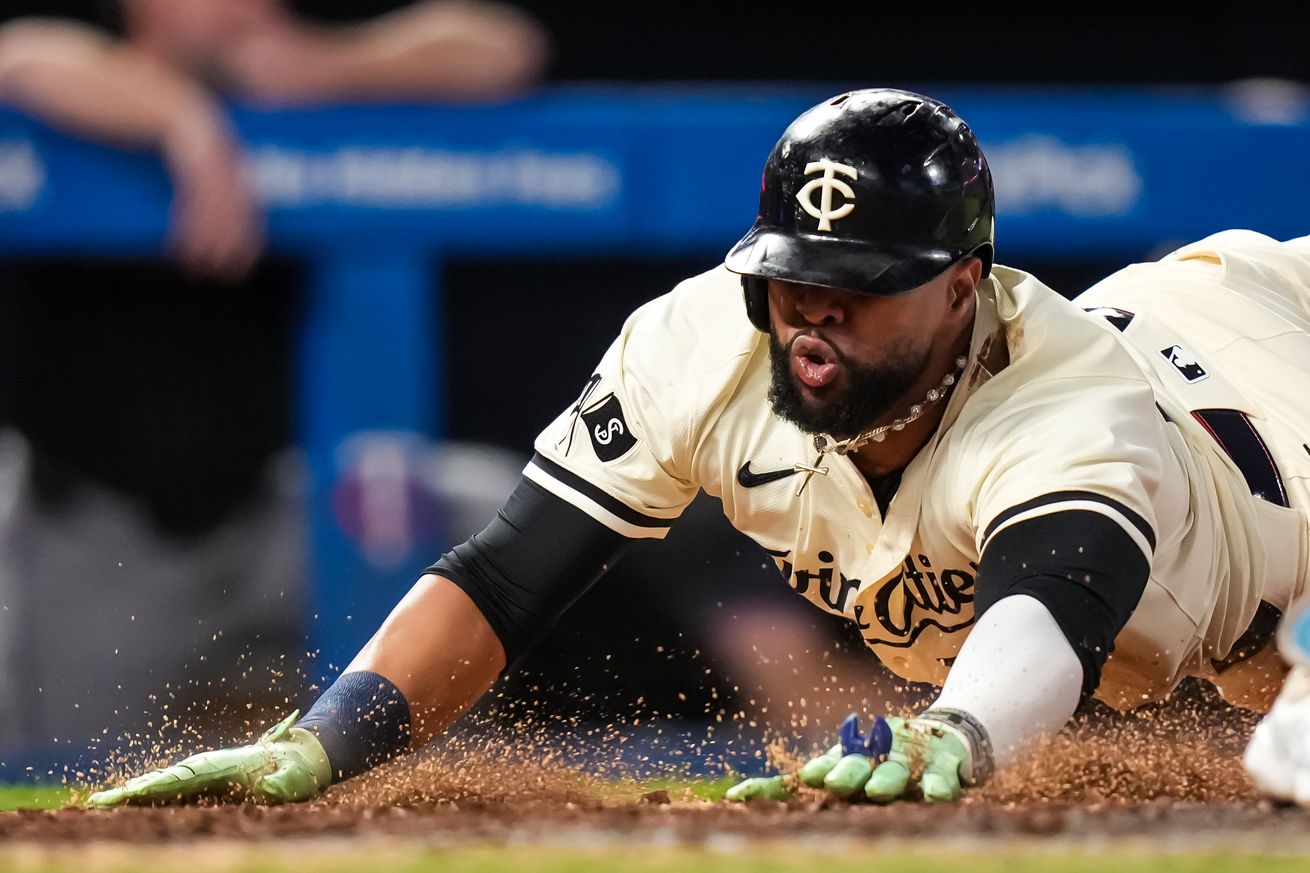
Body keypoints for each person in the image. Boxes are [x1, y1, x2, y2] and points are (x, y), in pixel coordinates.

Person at [86, 88, 1310, 807]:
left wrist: (955, 732)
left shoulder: (1062, 404)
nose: (813, 312)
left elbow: (1045, 613)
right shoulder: (702, 343)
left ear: (963, 289)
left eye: (861, 285)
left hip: (1274, 390)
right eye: (795, 276)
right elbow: (509, 573)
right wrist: (325, 735)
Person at [0, 0, 550, 277]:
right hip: (78, 471)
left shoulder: (291, 86)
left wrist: (330, 69)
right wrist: (188, 125)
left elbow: (506, 48)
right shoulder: (93, 84)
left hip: (269, 473)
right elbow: (18, 56)